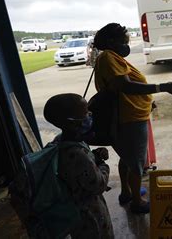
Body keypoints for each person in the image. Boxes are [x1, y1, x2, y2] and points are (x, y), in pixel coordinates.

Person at [93, 23, 172, 214]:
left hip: (133, 115)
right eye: (123, 40)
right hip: (130, 119)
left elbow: (128, 86)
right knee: (136, 162)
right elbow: (126, 87)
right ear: (112, 41)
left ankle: (127, 192)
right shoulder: (108, 57)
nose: (126, 44)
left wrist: (147, 100)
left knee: (127, 158)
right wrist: (162, 87)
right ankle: (137, 201)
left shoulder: (112, 57)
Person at [43, 93, 114, 238]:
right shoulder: (77, 154)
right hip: (88, 214)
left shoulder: (60, 142)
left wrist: (94, 155)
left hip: (74, 209)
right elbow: (98, 184)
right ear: (71, 122)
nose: (90, 114)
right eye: (86, 112)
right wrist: (102, 164)